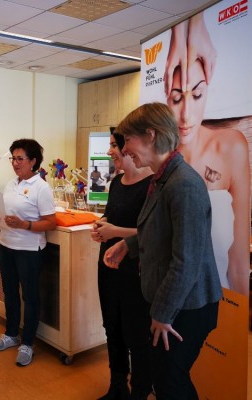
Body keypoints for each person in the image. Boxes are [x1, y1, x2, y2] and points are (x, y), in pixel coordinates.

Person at [103, 103, 222, 399]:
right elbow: (161, 232)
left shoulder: (183, 185)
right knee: (165, 378)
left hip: (187, 306)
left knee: (171, 382)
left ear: (151, 135)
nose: (124, 149)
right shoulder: (162, 178)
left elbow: (186, 261)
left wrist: (162, 313)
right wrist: (129, 244)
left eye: (128, 140)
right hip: (174, 303)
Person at [167, 60, 250, 296]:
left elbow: (239, 262)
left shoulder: (230, 147)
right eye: (176, 98)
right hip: (172, 291)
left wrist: (238, 311)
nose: (186, 115)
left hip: (218, 294)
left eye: (197, 95)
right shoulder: (159, 160)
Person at [92, 129, 153, 400]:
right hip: (108, 265)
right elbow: (111, 215)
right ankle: (117, 387)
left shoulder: (152, 185)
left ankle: (139, 390)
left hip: (135, 270)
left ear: (129, 147)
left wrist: (114, 231)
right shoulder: (117, 182)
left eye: (114, 146)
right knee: (112, 326)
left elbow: (151, 232)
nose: (109, 152)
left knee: (136, 333)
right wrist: (102, 225)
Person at [0, 138, 56, 367]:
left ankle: (28, 343)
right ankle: (11, 334)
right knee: (9, 292)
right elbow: (7, 212)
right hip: (6, 244)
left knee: (30, 296)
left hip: (29, 250)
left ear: (33, 161)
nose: (15, 163)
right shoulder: (11, 184)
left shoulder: (41, 187)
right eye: (13, 158)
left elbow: (50, 222)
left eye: (20, 159)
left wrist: (24, 224)